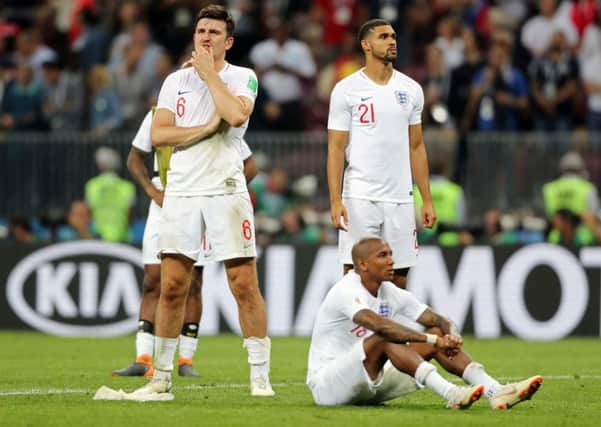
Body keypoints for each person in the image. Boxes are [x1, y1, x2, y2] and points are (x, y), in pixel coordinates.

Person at [129, 5, 272, 400]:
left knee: (243, 283)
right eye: (200, 31)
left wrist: (210, 76)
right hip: (182, 192)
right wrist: (208, 127)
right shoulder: (174, 82)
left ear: (228, 42)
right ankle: (161, 378)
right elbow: (159, 135)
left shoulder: (244, 77)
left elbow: (236, 116)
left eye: (214, 32)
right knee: (173, 285)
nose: (205, 37)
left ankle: (260, 378)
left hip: (226, 188)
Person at [307, 237, 543, 409]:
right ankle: (450, 393)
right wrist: (433, 340)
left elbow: (436, 319)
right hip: (329, 384)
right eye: (383, 255)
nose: (391, 261)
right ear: (362, 264)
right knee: (388, 337)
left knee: (435, 331)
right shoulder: (346, 290)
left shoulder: (388, 291)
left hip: (368, 381)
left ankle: (495, 391)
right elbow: (381, 327)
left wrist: (451, 334)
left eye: (391, 253)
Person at [113, 109, 258, 378]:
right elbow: (135, 158)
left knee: (194, 281)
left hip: (200, 199)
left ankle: (186, 360)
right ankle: (143, 358)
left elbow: (250, 164)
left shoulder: (215, 116)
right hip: (164, 201)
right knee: (153, 278)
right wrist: (151, 190)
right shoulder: (158, 115)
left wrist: (223, 190)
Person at [327, 18, 435, 290]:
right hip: (360, 195)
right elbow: (336, 148)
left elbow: (417, 146)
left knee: (398, 277)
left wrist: (427, 199)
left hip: (400, 196)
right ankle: (354, 333)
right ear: (366, 44)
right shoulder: (346, 90)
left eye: (394, 36)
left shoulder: (411, 90)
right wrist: (335, 199)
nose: (392, 42)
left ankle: (390, 334)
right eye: (384, 37)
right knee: (354, 273)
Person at [85, 147, 135, 243]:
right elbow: (129, 215)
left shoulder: (92, 186)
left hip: (98, 237)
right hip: (121, 237)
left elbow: (89, 213)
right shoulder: (127, 187)